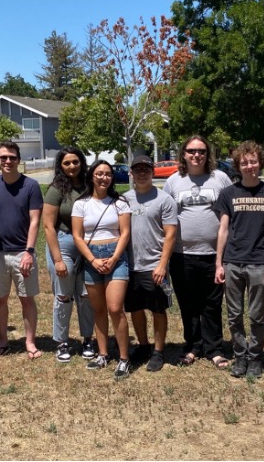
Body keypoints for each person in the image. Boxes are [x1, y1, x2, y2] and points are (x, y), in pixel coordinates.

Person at [214, 140, 264, 378]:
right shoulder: (228, 194)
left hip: (258, 262)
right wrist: (219, 263)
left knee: (256, 315)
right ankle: (240, 356)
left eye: (253, 161)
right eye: (244, 162)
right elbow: (223, 230)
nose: (249, 166)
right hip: (232, 262)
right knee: (234, 314)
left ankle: (255, 358)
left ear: (260, 163)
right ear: (238, 165)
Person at [164, 135, 233, 368]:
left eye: (201, 151)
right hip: (181, 255)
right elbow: (165, 217)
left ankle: (214, 348)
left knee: (213, 303)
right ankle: (193, 346)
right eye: (192, 151)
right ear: (183, 154)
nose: (196, 155)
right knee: (188, 303)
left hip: (214, 254)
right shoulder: (173, 181)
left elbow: (231, 213)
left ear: (207, 154)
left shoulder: (220, 179)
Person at [71, 160, 132, 378]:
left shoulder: (120, 202)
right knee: (98, 309)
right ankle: (103, 353)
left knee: (115, 308)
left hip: (116, 257)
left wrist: (114, 258)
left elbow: (125, 232)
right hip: (91, 259)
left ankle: (124, 359)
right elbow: (78, 236)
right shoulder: (81, 204)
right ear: (91, 176)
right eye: (99, 173)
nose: (103, 177)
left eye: (107, 174)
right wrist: (93, 260)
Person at [0, 141, 44, 360]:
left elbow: (35, 221)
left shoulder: (31, 186)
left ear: (19, 160)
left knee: (26, 299)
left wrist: (29, 251)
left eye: (12, 157)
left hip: (22, 252)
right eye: (3, 158)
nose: (8, 161)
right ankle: (3, 340)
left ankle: (30, 341)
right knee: (0, 299)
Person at [123, 155, 178, 372]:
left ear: (153, 172)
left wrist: (162, 264)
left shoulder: (164, 199)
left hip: (155, 265)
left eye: (146, 169)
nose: (142, 173)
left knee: (158, 309)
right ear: (132, 173)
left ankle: (158, 350)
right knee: (135, 308)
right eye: (138, 170)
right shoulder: (124, 199)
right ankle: (143, 345)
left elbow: (171, 234)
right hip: (130, 265)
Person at [42, 147, 95, 363]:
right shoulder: (56, 189)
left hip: (87, 247)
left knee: (86, 296)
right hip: (62, 244)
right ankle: (62, 341)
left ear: (82, 162)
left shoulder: (90, 186)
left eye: (75, 162)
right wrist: (57, 260)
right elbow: (47, 227)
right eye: (67, 163)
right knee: (64, 296)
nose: (72, 166)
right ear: (60, 166)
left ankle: (88, 339)